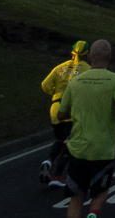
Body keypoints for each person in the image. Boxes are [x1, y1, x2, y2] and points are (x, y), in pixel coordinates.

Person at [56, 40, 115, 218]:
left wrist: (78, 110)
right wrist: (113, 113)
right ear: (109, 57)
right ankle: (93, 213)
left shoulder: (75, 82)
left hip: (78, 148)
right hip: (103, 148)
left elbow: (61, 114)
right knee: (101, 191)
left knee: (76, 195)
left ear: (89, 57)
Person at [39, 40, 91, 187]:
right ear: (87, 54)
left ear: (72, 52)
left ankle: (49, 160)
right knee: (71, 142)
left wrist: (55, 93)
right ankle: (57, 175)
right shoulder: (87, 69)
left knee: (59, 139)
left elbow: (45, 85)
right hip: (71, 109)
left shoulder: (60, 67)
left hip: (55, 107)